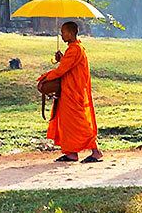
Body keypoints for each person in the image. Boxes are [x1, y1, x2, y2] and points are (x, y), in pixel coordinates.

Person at [37, 21, 103, 163]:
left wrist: (45, 78)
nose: (62, 35)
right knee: (67, 123)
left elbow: (62, 70)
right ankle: (71, 153)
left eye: (63, 32)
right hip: (68, 91)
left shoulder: (75, 49)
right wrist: (62, 59)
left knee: (79, 121)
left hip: (74, 92)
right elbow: (69, 66)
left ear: (71, 33)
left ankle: (96, 151)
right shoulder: (73, 49)